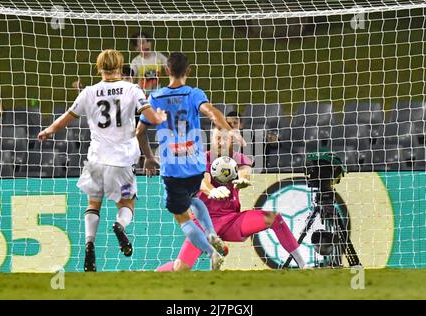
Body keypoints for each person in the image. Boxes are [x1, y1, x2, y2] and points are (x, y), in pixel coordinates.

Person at [38, 49, 167, 272]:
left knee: (93, 205)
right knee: (126, 204)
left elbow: (65, 119)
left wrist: (48, 131)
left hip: (96, 159)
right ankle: (119, 225)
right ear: (120, 66)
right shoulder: (132, 89)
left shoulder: (89, 92)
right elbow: (152, 118)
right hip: (122, 161)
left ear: (99, 68)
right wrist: (161, 116)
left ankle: (89, 244)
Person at [136, 52, 246, 270]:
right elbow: (212, 113)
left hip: (172, 168)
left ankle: (211, 252)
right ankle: (212, 233)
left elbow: (139, 132)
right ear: (188, 71)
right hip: (195, 166)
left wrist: (148, 158)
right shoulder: (195, 94)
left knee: (183, 218)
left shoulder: (155, 98)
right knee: (194, 198)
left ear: (166, 71)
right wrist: (229, 130)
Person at [154, 127, 306, 271]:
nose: (221, 142)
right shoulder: (202, 159)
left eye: (225, 139)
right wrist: (211, 190)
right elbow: (203, 181)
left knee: (274, 218)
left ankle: (304, 266)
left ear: (232, 140)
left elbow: (244, 171)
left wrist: (243, 180)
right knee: (182, 268)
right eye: (217, 138)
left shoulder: (239, 158)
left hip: (232, 220)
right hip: (205, 222)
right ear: (211, 140)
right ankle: (156, 273)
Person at [130, 31, 168, 96]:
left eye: (148, 41)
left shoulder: (158, 56)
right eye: (142, 43)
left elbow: (170, 67)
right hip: (142, 96)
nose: (146, 44)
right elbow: (131, 79)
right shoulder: (135, 62)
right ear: (137, 48)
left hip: (157, 95)